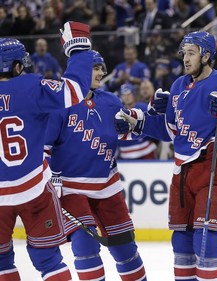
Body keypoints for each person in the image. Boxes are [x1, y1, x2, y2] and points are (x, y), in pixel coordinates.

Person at [114, 31, 217, 281]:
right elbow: (170, 130)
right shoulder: (178, 86)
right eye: (184, 54)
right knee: (181, 240)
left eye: (191, 53)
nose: (185, 59)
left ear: (206, 55)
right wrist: (139, 124)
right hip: (182, 171)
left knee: (207, 237)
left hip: (215, 166)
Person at [0, 21, 93, 281]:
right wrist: (79, 49)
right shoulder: (30, 86)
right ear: (16, 66)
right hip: (34, 190)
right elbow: (75, 91)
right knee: (48, 259)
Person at [45, 51, 150, 281]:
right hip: (72, 189)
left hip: (108, 188)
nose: (102, 73)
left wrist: (139, 124)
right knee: (86, 248)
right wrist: (48, 175)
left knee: (127, 251)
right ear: (80, 68)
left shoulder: (110, 101)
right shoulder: (59, 104)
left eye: (102, 67)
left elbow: (125, 135)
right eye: (96, 67)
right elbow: (44, 147)